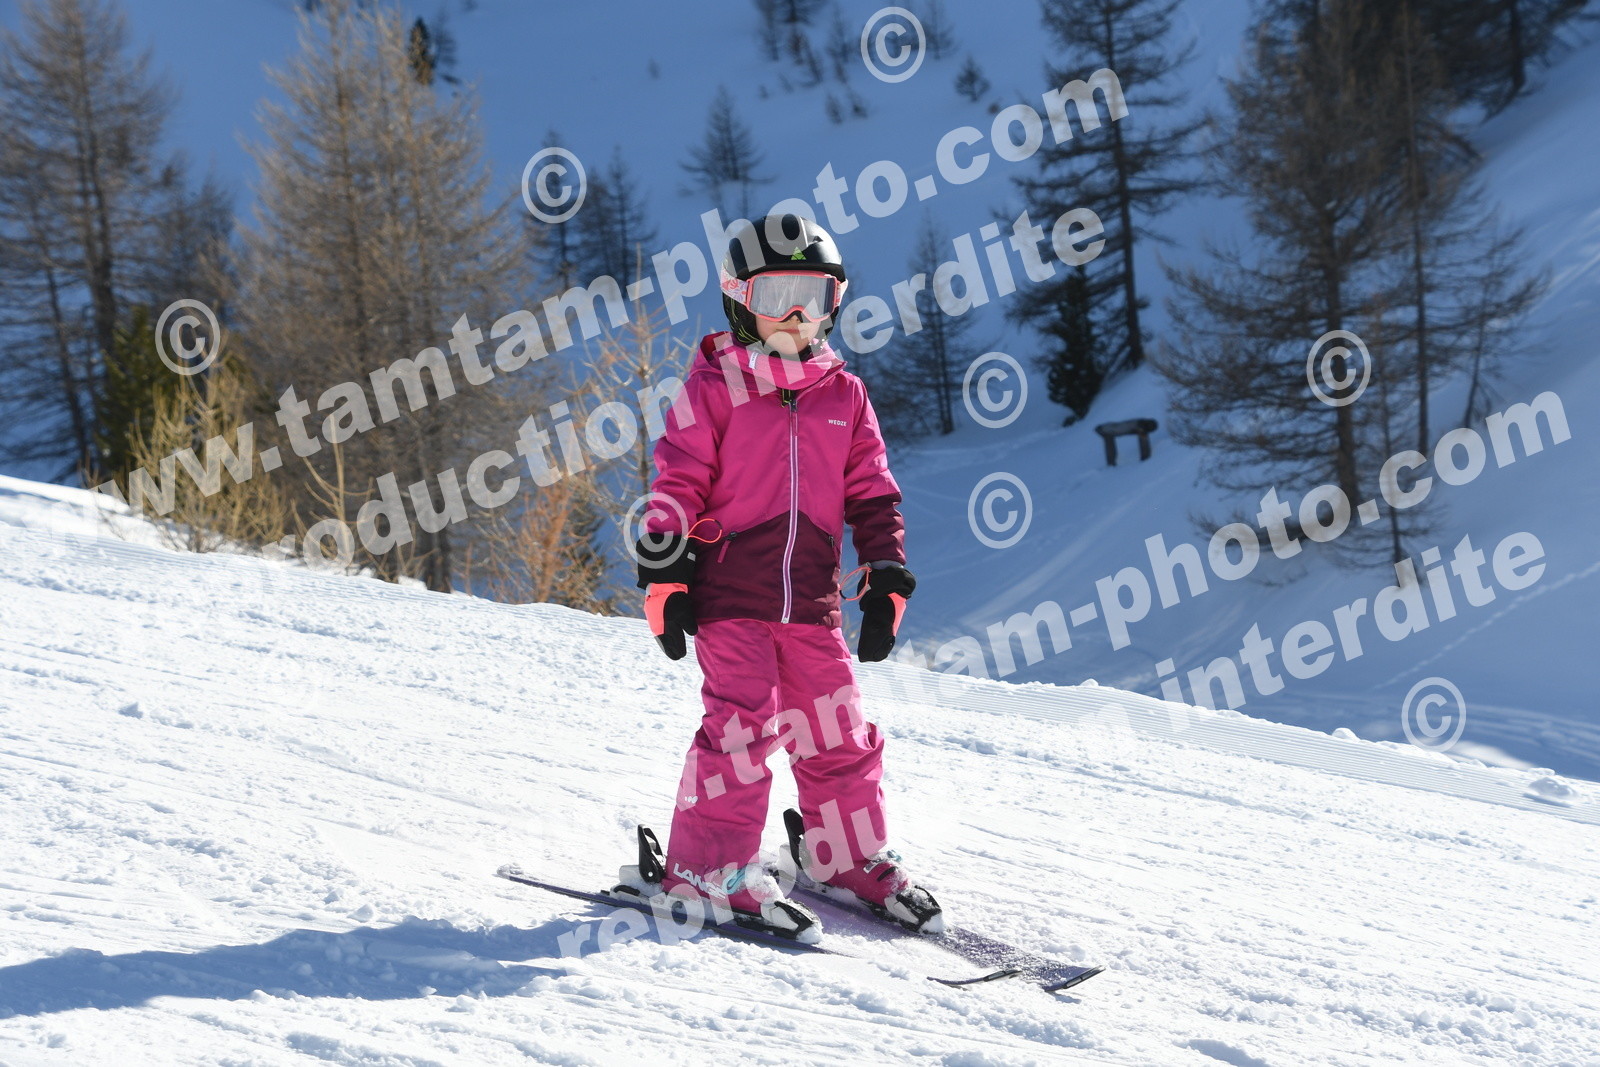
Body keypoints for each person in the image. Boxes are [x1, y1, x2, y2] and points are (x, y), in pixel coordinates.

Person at [632, 213, 942, 943]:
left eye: (815, 295)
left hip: (812, 599)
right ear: (741, 301)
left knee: (838, 729)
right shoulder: (712, 387)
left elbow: (874, 493)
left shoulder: (845, 395)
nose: (798, 315)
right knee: (741, 728)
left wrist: (887, 569)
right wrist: (665, 568)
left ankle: (842, 855)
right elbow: (678, 479)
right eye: (778, 296)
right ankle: (706, 868)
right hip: (729, 595)